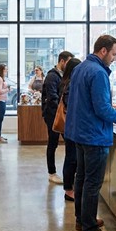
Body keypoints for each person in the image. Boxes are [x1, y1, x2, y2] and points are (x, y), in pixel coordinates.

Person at [65, 35, 116, 231]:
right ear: (104, 51)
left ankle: (82, 219)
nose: (115, 58)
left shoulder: (81, 67)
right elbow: (102, 110)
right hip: (94, 135)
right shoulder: (98, 72)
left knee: (81, 178)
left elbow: (87, 102)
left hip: (79, 132)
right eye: (114, 53)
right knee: (92, 183)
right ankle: (89, 229)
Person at [41, 51, 74, 184]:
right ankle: (52, 172)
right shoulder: (51, 76)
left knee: (69, 143)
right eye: (68, 62)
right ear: (62, 61)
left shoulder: (63, 76)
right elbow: (53, 98)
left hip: (62, 115)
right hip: (53, 116)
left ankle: (69, 172)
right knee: (53, 143)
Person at [59, 58, 81, 202]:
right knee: (72, 158)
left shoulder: (66, 82)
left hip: (70, 125)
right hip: (71, 125)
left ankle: (69, 187)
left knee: (71, 157)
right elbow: (70, 104)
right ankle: (68, 189)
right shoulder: (70, 83)